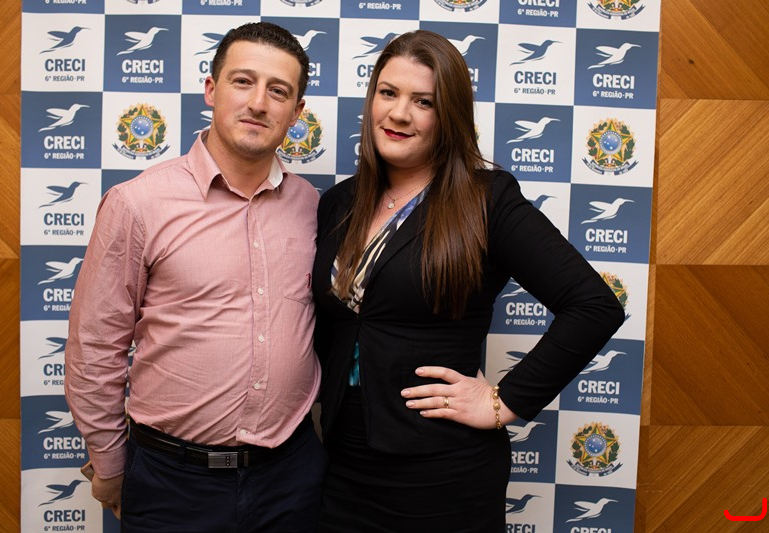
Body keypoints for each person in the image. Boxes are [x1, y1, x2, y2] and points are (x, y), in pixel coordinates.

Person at [312, 30, 625, 531]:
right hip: (340, 460)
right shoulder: (339, 203)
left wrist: (504, 401)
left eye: (424, 102)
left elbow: (594, 306)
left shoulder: (486, 199)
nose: (398, 113)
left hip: (443, 469)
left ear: (450, 115)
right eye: (388, 93)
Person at [65, 22, 326, 532]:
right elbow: (94, 347)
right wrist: (111, 465)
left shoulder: (312, 206)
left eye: (278, 91)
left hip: (290, 478)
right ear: (211, 89)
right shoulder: (138, 204)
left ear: (297, 113)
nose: (258, 103)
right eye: (242, 81)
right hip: (171, 482)